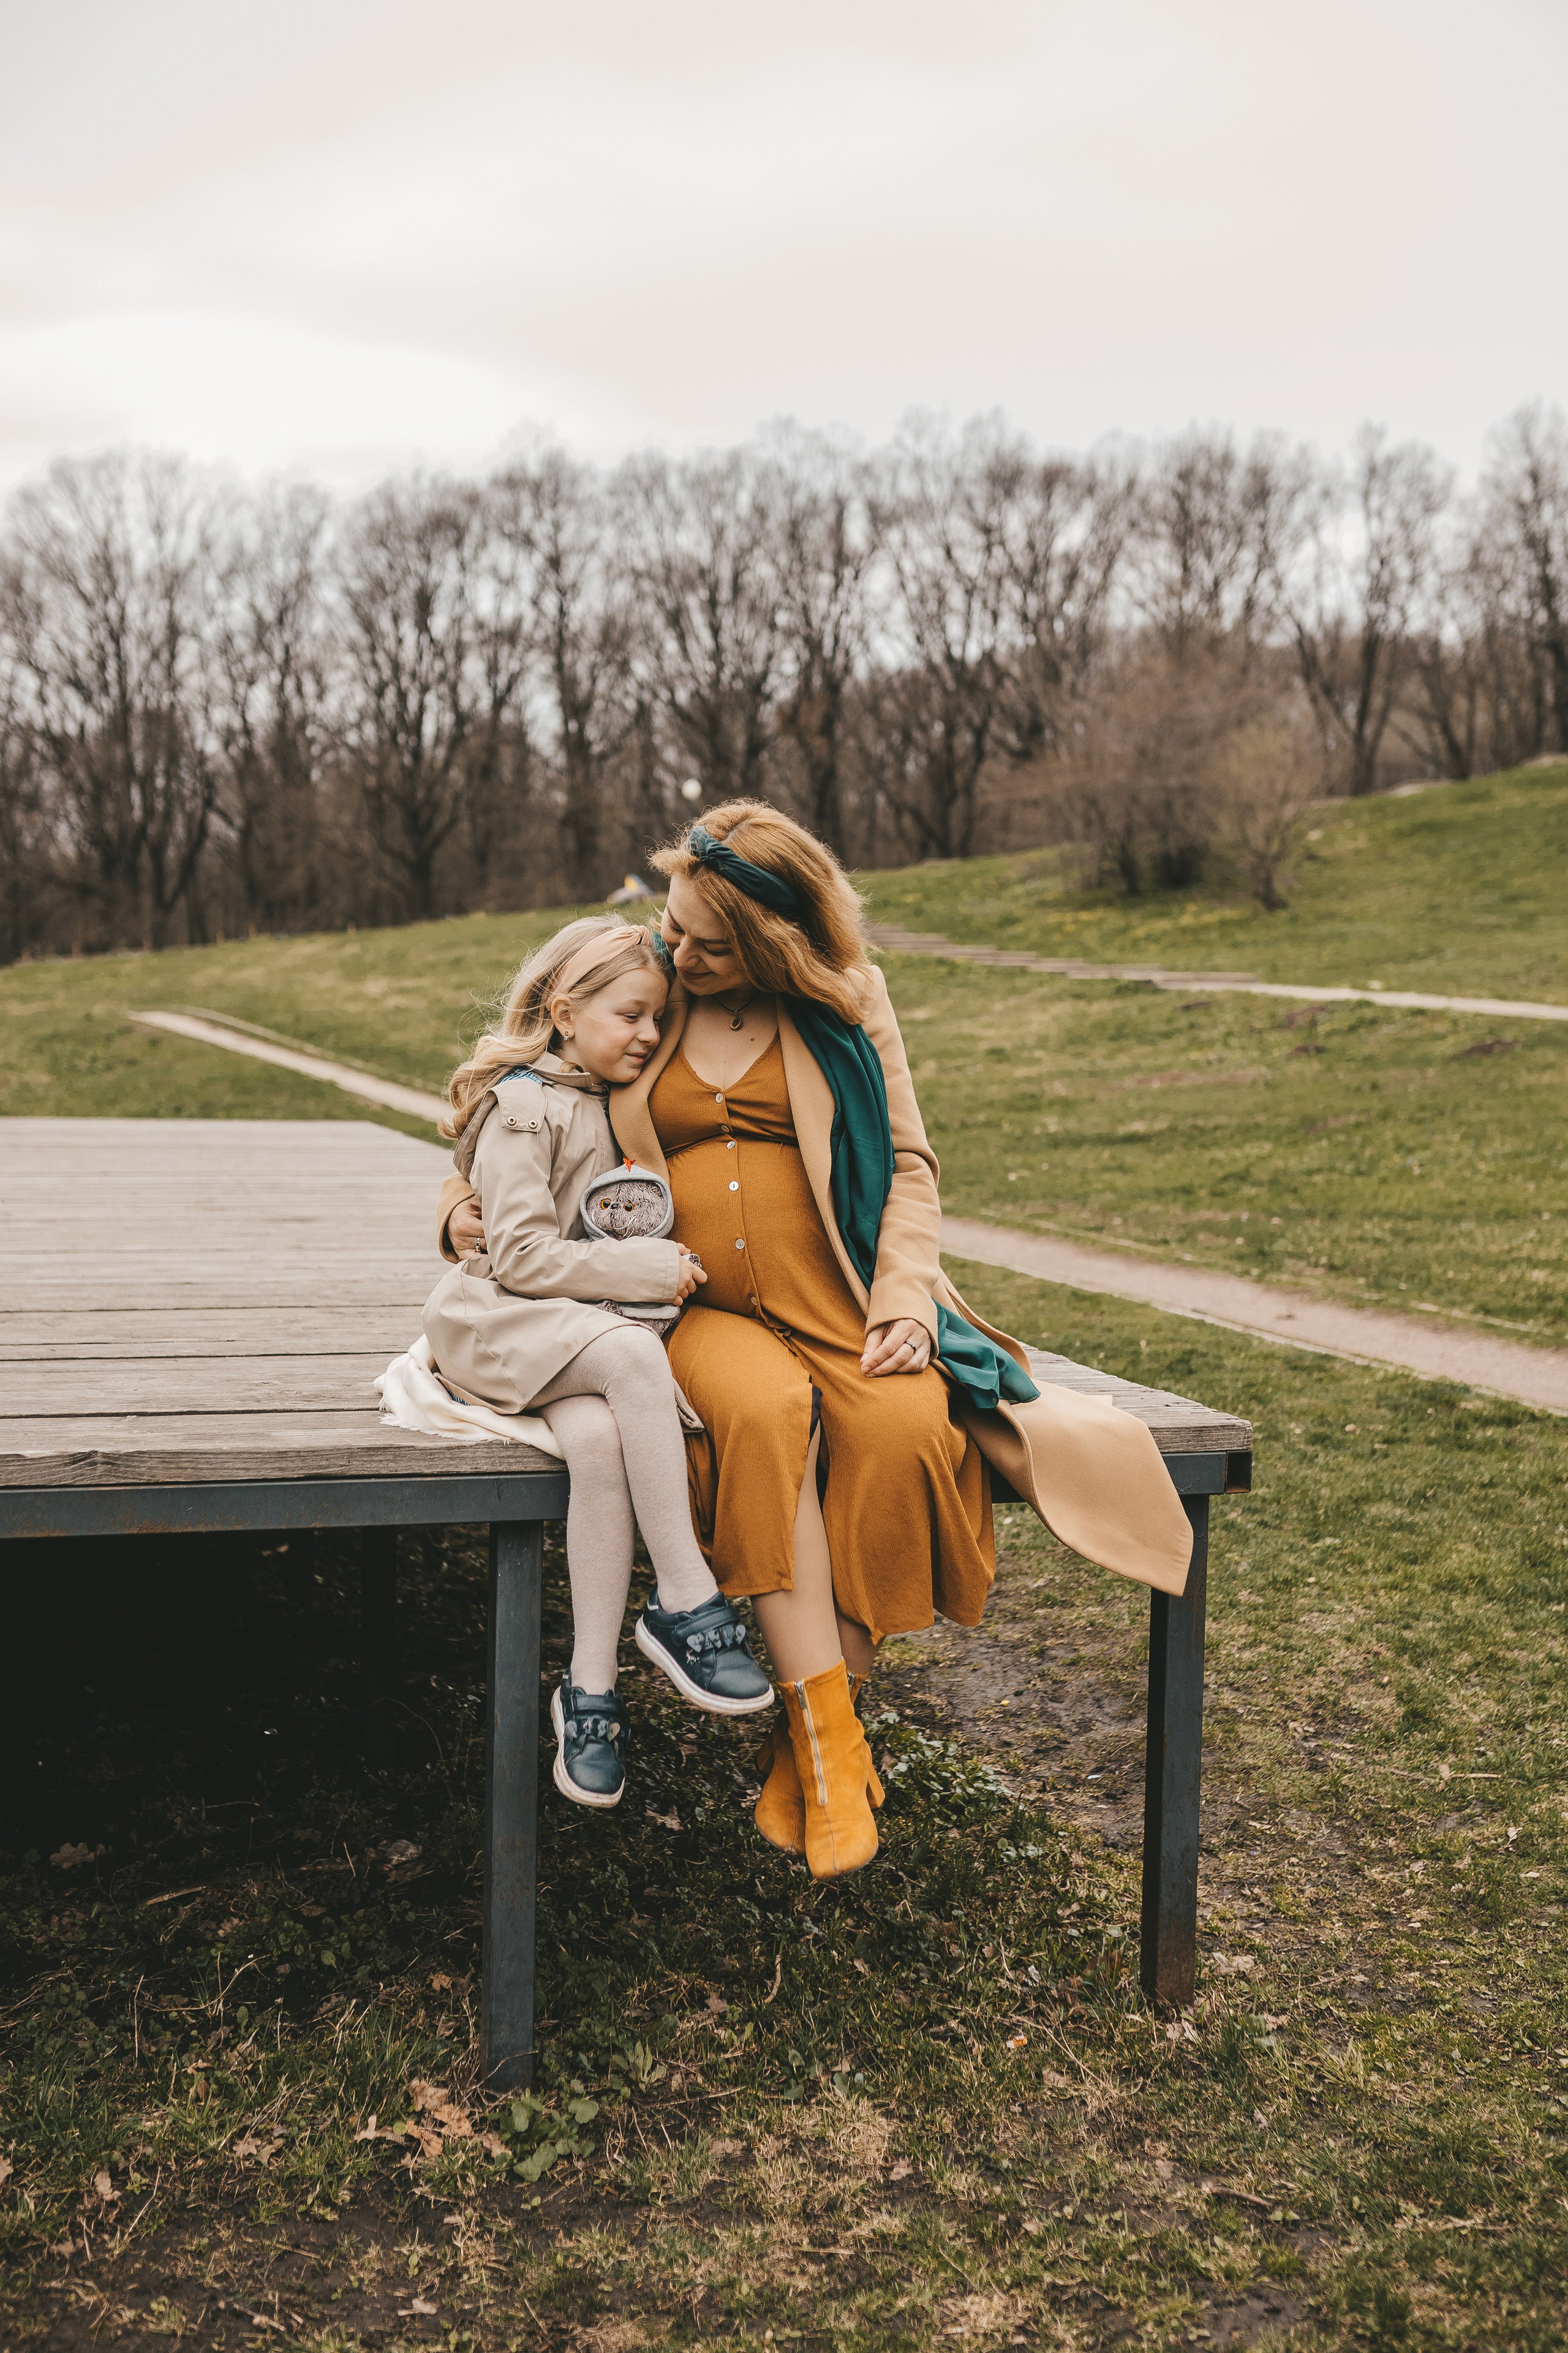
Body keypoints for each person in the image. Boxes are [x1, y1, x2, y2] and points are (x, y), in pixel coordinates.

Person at [439, 806, 1193, 1879]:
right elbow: (529, 1086)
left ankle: (804, 1741)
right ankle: (839, 1762)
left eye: (708, 940)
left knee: (902, 1427)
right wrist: (458, 1210)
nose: (677, 950)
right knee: (765, 1414)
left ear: (772, 942)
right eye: (674, 924)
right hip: (694, 1311)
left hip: (840, 1296)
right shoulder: (650, 987)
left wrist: (903, 1298)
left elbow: (914, 1165)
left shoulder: (847, 1002)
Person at [425, 915, 772, 1814]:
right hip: (502, 1325)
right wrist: (643, 1268)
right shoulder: (524, 1102)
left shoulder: (611, 1089)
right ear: (565, 1010)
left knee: (601, 1444)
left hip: (565, 1335)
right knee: (627, 1356)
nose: (650, 1035)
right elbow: (520, 1256)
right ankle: (687, 1596)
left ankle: (590, 1692)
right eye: (631, 1015)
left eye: (659, 1018)